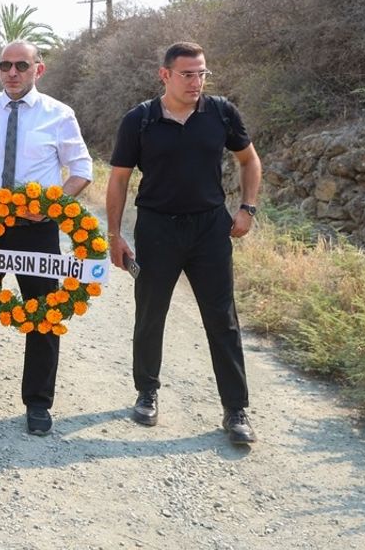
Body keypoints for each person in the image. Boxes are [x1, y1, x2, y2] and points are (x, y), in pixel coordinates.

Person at [106, 41, 262, 446]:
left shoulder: (221, 113)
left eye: (202, 74)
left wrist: (247, 208)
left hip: (210, 228)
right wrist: (114, 235)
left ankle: (235, 409)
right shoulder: (139, 120)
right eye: (187, 74)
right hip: (157, 228)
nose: (196, 82)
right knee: (150, 313)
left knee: (222, 318)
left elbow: (249, 160)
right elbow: (119, 179)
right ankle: (147, 392)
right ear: (165, 75)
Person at [0, 40, 93, 436]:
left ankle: (38, 401)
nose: (12, 73)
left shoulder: (59, 115)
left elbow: (82, 170)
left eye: (21, 66)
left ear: (38, 70)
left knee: (43, 313)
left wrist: (52, 204)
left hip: (37, 231)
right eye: (5, 65)